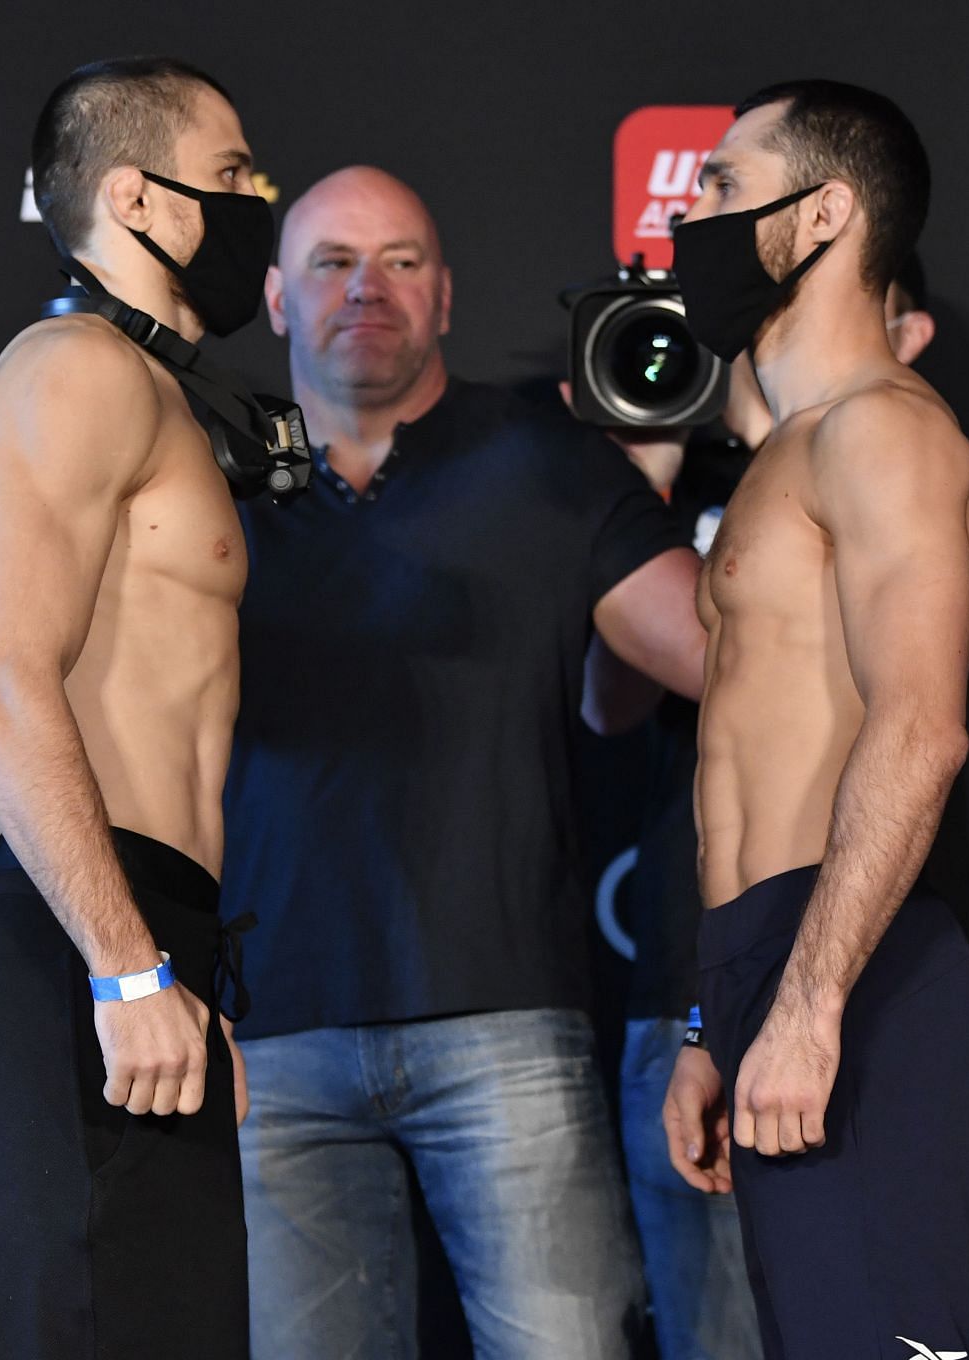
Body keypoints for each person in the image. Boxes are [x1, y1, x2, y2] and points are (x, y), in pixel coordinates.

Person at [223, 164, 709, 1358]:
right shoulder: (211, 471)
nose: (365, 289)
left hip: (504, 1023)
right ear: (278, 300)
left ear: (446, 294)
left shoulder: (548, 459)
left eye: (398, 261)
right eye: (332, 263)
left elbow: (718, 661)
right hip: (267, 1034)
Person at [602, 253, 969, 1360]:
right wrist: (712, 1020)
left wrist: (811, 1001)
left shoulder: (896, 439)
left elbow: (931, 713)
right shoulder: (760, 473)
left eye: (727, 184)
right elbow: (625, 696)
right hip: (749, 962)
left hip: (854, 959)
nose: (700, 227)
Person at [0, 57, 268, 1359]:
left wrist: (172, 970)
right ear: (137, 195)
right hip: (96, 935)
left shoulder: (158, 395)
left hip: (151, 935)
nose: (260, 201)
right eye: (236, 175)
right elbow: (3, 684)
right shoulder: (73, 373)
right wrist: (125, 965)